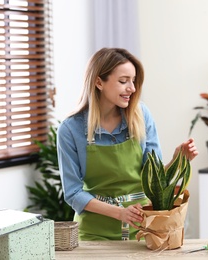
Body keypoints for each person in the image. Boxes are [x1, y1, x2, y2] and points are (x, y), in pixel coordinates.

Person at [57, 47, 198, 241]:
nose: (131, 88)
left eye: (133, 81)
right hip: (93, 234)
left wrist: (178, 160)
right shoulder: (70, 129)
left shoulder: (141, 116)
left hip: (142, 228)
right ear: (99, 82)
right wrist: (120, 212)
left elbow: (154, 179)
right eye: (123, 81)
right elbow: (73, 193)